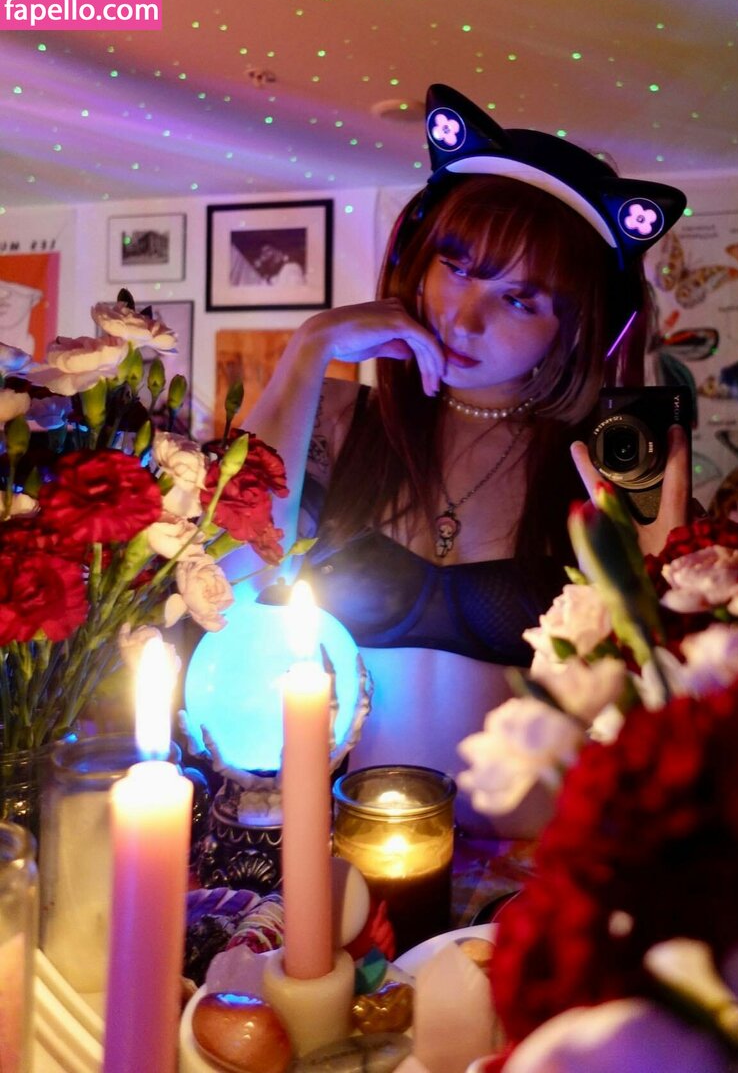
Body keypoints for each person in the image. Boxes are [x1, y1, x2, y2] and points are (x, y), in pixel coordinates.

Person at [241, 83, 691, 834]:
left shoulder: (598, 471)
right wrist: (310, 348)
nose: (465, 315)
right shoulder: (341, 422)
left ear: (577, 328)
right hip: (349, 855)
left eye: (521, 299)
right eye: (455, 266)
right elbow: (227, 570)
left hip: (529, 870)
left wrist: (657, 574)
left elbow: (667, 707)